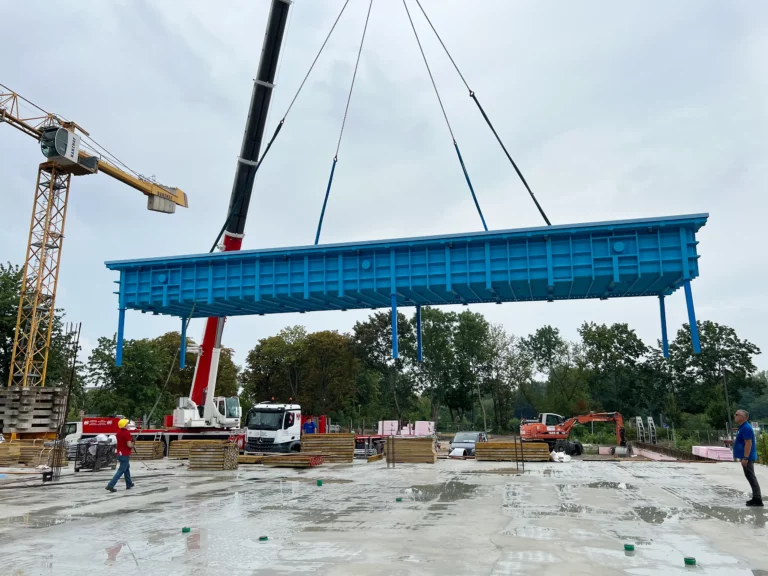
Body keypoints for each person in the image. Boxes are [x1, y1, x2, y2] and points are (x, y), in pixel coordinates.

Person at [734, 409, 762, 507]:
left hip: (747, 457)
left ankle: (757, 499)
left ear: (743, 417)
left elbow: (748, 443)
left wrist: (745, 457)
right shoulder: (742, 427)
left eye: (737, 414)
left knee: (751, 476)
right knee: (749, 476)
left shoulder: (746, 428)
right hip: (745, 457)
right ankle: (756, 497)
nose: (735, 416)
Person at [106, 419, 135, 493]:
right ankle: (110, 485)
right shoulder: (127, 433)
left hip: (120, 453)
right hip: (125, 454)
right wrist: (133, 444)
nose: (127, 425)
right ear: (124, 425)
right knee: (121, 470)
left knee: (126, 468)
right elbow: (129, 445)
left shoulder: (118, 433)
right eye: (127, 424)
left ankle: (129, 484)